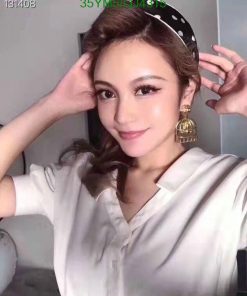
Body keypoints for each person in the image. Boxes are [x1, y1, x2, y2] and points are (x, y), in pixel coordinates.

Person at [0, 1, 247, 296]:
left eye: (145, 89)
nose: (121, 115)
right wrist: (52, 105)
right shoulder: (73, 179)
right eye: (107, 93)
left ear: (187, 91)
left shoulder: (231, 187)